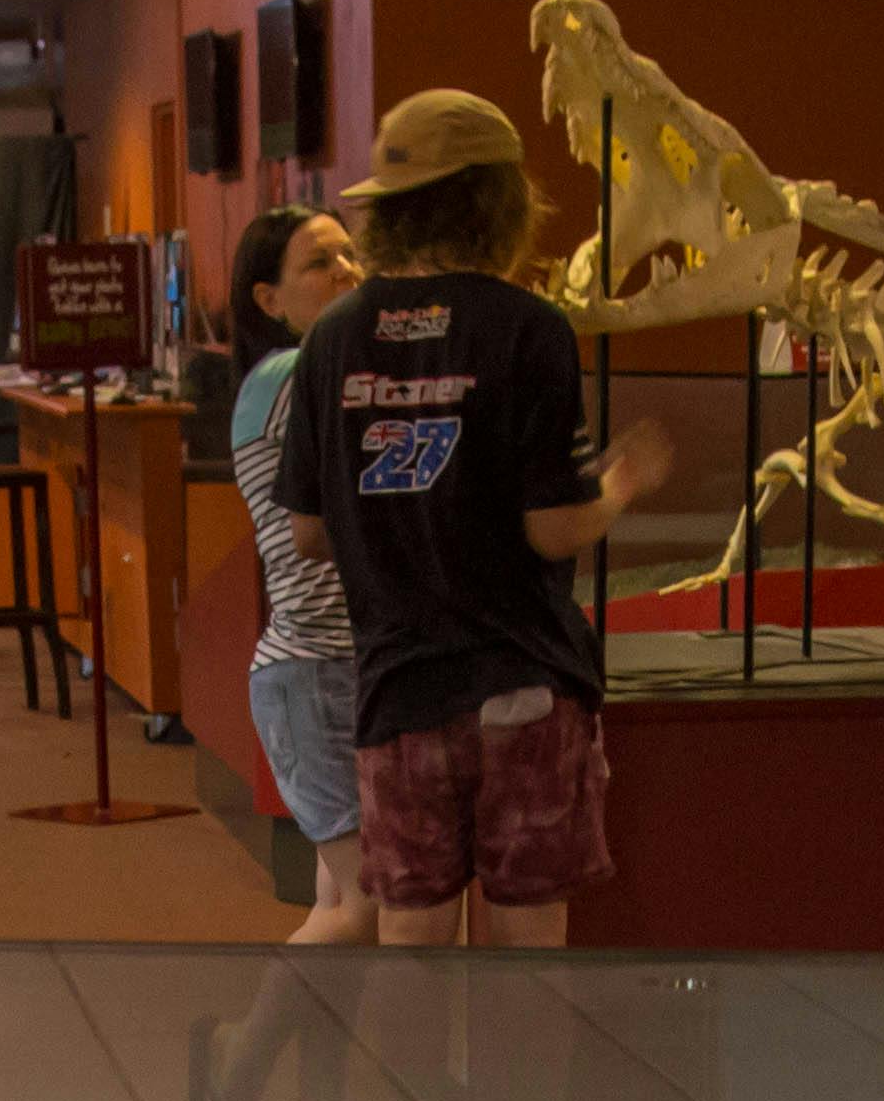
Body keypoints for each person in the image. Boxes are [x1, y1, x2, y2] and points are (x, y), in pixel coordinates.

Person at [273, 88, 671, 950]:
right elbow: (553, 529)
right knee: (527, 953)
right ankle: (516, 1096)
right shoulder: (528, 329)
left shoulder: (333, 338)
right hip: (521, 686)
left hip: (396, 690)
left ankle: (414, 1093)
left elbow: (307, 532)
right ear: (498, 202)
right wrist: (623, 484)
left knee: (410, 948)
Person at [225, 205, 371, 948]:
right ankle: (235, 1060)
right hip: (314, 670)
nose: (347, 270)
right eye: (320, 262)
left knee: (338, 902)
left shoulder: (313, 370)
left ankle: (246, 1055)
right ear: (269, 300)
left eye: (351, 253)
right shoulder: (295, 373)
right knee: (364, 907)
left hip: (347, 665)